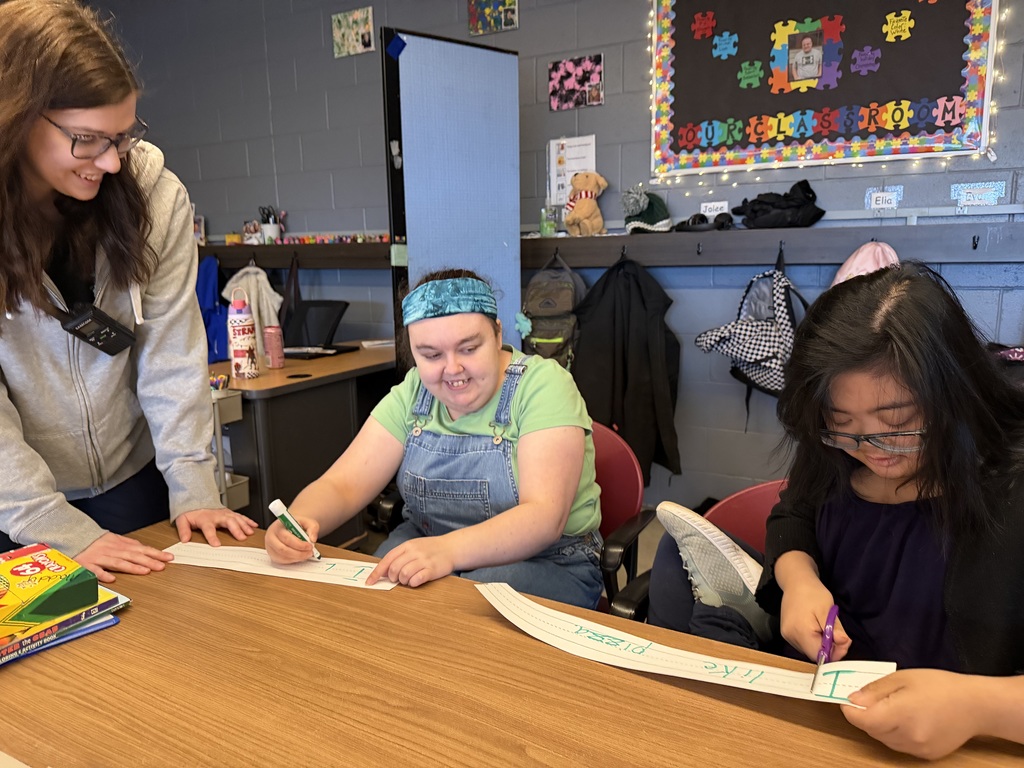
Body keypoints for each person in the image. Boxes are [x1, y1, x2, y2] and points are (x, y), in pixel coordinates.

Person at [648, 262, 1024, 759]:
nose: (872, 449)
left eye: (899, 424)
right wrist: (800, 579)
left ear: (956, 390)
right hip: (821, 704)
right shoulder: (836, 448)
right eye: (842, 423)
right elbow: (794, 513)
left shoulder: (1008, 479)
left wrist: (982, 706)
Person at [0, 0, 257, 582]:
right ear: (15, 118)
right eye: (88, 139)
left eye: (123, 136)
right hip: (17, 499)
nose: (113, 162)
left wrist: (195, 487)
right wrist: (51, 523)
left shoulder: (154, 198)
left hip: (130, 478)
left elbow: (170, 351)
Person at [265, 268, 604, 609]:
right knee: (366, 609)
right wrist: (299, 518)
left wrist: (447, 551)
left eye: (469, 348)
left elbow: (544, 517)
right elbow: (343, 485)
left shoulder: (543, 386)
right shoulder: (414, 392)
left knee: (457, 618)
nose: (452, 369)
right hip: (429, 546)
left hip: (548, 560)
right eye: (431, 356)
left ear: (498, 335)